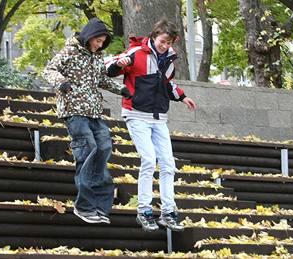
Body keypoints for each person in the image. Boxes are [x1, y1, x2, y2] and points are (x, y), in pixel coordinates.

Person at [106, 19, 197, 232]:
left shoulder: (170, 60)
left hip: (158, 117)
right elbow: (109, 67)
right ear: (154, 36)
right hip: (136, 114)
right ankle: (144, 210)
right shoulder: (136, 52)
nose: (164, 46)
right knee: (148, 159)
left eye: (169, 42)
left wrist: (183, 97)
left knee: (167, 163)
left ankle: (168, 212)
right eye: (162, 41)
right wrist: (117, 65)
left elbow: (167, 84)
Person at [42, 18, 132, 224]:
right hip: (73, 109)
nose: (99, 45)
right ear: (89, 36)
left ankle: (100, 208)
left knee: (104, 147)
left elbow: (101, 79)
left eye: (102, 42)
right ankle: (84, 206)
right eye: (97, 41)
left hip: (94, 110)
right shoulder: (69, 51)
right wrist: (61, 82)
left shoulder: (97, 56)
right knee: (88, 148)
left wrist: (120, 89)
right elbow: (48, 70)